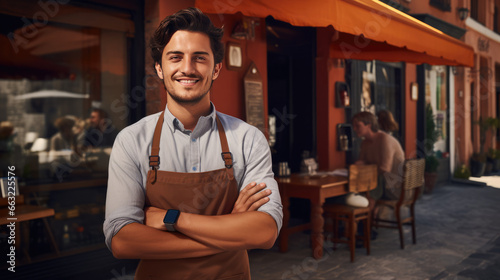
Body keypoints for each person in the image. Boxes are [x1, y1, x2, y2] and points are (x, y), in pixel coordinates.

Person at [103, 7, 282, 280]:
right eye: (176, 58)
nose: (187, 68)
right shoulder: (131, 141)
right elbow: (122, 241)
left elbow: (265, 232)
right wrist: (229, 230)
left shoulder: (248, 139)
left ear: (217, 68)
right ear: (160, 69)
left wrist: (171, 218)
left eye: (199, 58)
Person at [352, 111, 405, 200]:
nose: (354, 129)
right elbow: (361, 163)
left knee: (357, 193)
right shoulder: (365, 143)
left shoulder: (385, 139)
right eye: (354, 126)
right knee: (352, 192)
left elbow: (385, 169)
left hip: (394, 187)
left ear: (368, 125)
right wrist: (360, 164)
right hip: (380, 184)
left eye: (357, 126)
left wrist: (364, 167)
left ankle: (367, 208)